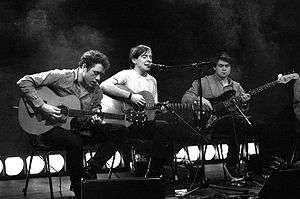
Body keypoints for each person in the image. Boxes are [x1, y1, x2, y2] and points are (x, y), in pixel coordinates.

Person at [17, 50, 127, 199]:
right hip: (48, 127)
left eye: (101, 74)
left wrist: (94, 119)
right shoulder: (61, 76)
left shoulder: (96, 92)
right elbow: (24, 81)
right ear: (83, 66)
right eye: (95, 73)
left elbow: (91, 115)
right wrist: (43, 106)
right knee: (75, 142)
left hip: (76, 129)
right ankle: (79, 189)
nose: (98, 78)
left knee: (119, 130)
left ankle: (90, 169)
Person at [100, 44, 173, 178]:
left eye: (150, 57)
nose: (149, 60)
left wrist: (158, 109)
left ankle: (154, 171)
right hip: (122, 123)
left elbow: (151, 107)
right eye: (144, 57)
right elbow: (104, 85)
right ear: (134, 60)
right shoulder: (126, 74)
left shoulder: (152, 80)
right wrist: (130, 96)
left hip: (139, 124)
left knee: (165, 127)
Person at [182, 52, 252, 180]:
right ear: (214, 67)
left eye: (227, 66)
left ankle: (255, 168)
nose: (224, 68)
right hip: (210, 123)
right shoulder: (203, 82)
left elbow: (243, 110)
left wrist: (245, 103)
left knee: (251, 123)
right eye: (221, 66)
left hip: (232, 123)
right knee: (236, 122)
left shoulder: (237, 87)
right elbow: (185, 98)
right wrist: (199, 98)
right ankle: (232, 165)